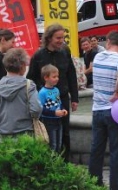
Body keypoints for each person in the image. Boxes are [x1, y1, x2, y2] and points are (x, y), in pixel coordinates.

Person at [89, 31, 118, 190]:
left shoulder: (99, 57)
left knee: (96, 149)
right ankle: (117, 189)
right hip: (115, 111)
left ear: (108, 42)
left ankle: (94, 184)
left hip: (97, 110)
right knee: (116, 151)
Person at [27, 24, 79, 161]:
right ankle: (48, 161)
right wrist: (42, 90)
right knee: (48, 132)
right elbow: (30, 78)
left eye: (63, 37)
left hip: (61, 98)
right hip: (45, 100)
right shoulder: (38, 56)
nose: (61, 41)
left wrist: (75, 98)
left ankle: (65, 162)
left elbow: (71, 75)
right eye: (58, 38)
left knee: (65, 131)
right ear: (49, 38)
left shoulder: (65, 52)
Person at [0, 48, 41, 139]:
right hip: (26, 133)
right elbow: (36, 109)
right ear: (22, 66)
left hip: (5, 134)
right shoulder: (29, 85)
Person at [37, 64, 68, 153]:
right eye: (54, 77)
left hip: (58, 120)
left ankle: (57, 163)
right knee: (52, 145)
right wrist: (54, 113)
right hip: (49, 121)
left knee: (59, 144)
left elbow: (59, 103)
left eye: (57, 76)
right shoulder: (42, 92)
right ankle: (51, 164)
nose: (57, 78)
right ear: (46, 78)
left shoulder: (56, 90)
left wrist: (63, 109)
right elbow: (41, 109)